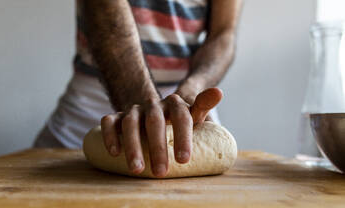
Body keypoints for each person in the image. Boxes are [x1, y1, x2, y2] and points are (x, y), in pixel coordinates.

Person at [34, 0, 243, 178]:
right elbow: (106, 16)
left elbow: (223, 34)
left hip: (189, 116)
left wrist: (190, 94)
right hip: (84, 117)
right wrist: (141, 103)